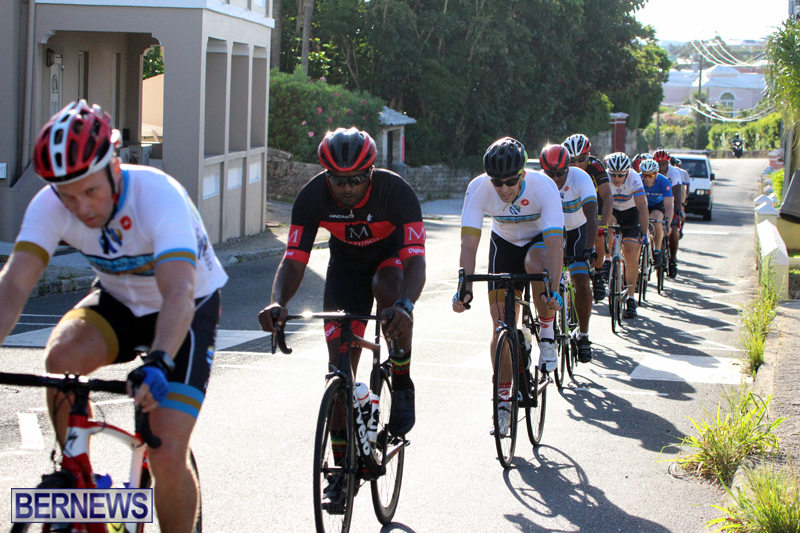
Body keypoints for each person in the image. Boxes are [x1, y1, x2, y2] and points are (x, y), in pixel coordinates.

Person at [0, 100, 227, 532]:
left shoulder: (157, 196)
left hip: (186, 308)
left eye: (91, 191)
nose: (81, 207)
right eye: (68, 196)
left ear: (115, 168)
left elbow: (179, 292)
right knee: (60, 359)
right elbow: (13, 285)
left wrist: (160, 360)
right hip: (119, 301)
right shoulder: (50, 205)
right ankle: (80, 479)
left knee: (165, 451)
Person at [258, 127, 425, 431]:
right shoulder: (312, 197)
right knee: (338, 370)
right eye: (338, 180)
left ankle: (402, 378)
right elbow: (294, 259)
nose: (347, 188)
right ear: (327, 177)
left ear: (370, 173)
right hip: (346, 265)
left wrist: (405, 306)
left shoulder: (395, 192)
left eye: (357, 179)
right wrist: (277, 302)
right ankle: (341, 455)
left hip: (390, 257)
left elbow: (415, 261)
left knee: (387, 286)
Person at [452, 137, 563, 436]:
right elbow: (469, 243)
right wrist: (464, 286)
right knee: (501, 324)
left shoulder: (543, 187)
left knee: (535, 263)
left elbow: (555, 245)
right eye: (497, 182)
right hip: (504, 245)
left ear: (522, 175)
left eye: (510, 181)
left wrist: (552, 290)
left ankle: (547, 333)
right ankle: (502, 402)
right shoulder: (478, 188)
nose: (503, 188)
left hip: (539, 242)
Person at [541, 144, 598, 363]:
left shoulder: (580, 178)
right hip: (552, 232)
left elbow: (592, 214)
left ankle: (583, 335)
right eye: (550, 174)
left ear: (568, 168)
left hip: (578, 230)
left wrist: (589, 247)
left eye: (560, 173)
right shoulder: (540, 181)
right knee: (542, 279)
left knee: (581, 279)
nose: (555, 178)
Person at [562, 134, 612, 302]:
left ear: (588, 156)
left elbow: (607, 196)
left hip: (594, 205)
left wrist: (603, 224)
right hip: (572, 208)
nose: (576, 164)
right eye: (571, 160)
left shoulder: (595, 166)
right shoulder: (560, 169)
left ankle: (598, 274)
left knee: (597, 233)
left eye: (581, 159)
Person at [605, 152, 649, 319]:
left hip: (631, 213)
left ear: (627, 172)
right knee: (608, 222)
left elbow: (642, 207)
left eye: (620, 175)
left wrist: (644, 232)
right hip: (614, 211)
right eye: (613, 175)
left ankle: (631, 298)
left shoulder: (634, 178)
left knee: (630, 254)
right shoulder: (605, 178)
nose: (616, 178)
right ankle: (608, 259)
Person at [653, 149, 683, 278]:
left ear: (668, 163)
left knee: (674, 231)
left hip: (670, 203)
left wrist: (678, 210)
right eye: (658, 164)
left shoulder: (674, 172)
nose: (661, 168)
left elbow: (677, 193)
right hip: (656, 203)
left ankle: (672, 260)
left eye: (664, 164)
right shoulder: (651, 172)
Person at [639, 159, 673, 265]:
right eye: (645, 176)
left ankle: (657, 250)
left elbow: (669, 206)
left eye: (651, 176)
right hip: (642, 204)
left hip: (657, 205)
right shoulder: (637, 180)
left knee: (656, 218)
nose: (647, 179)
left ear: (656, 174)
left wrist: (667, 224)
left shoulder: (664, 181)